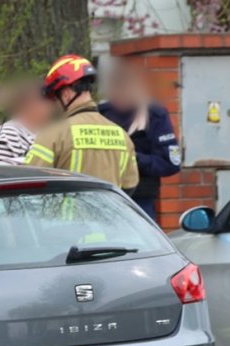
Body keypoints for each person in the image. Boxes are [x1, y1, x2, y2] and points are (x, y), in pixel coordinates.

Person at [25, 54, 139, 193]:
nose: (54, 104)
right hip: (110, 215)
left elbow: (30, 182)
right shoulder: (122, 136)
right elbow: (129, 187)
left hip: (65, 216)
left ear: (66, 93)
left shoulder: (52, 135)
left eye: (55, 98)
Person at [99, 61, 181, 221]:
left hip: (139, 202)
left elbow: (170, 163)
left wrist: (134, 159)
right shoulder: (102, 114)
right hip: (104, 199)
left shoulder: (154, 114)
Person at [0, 79, 55, 165]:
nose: (53, 107)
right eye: (49, 101)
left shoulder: (45, 133)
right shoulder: (8, 135)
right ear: (30, 103)